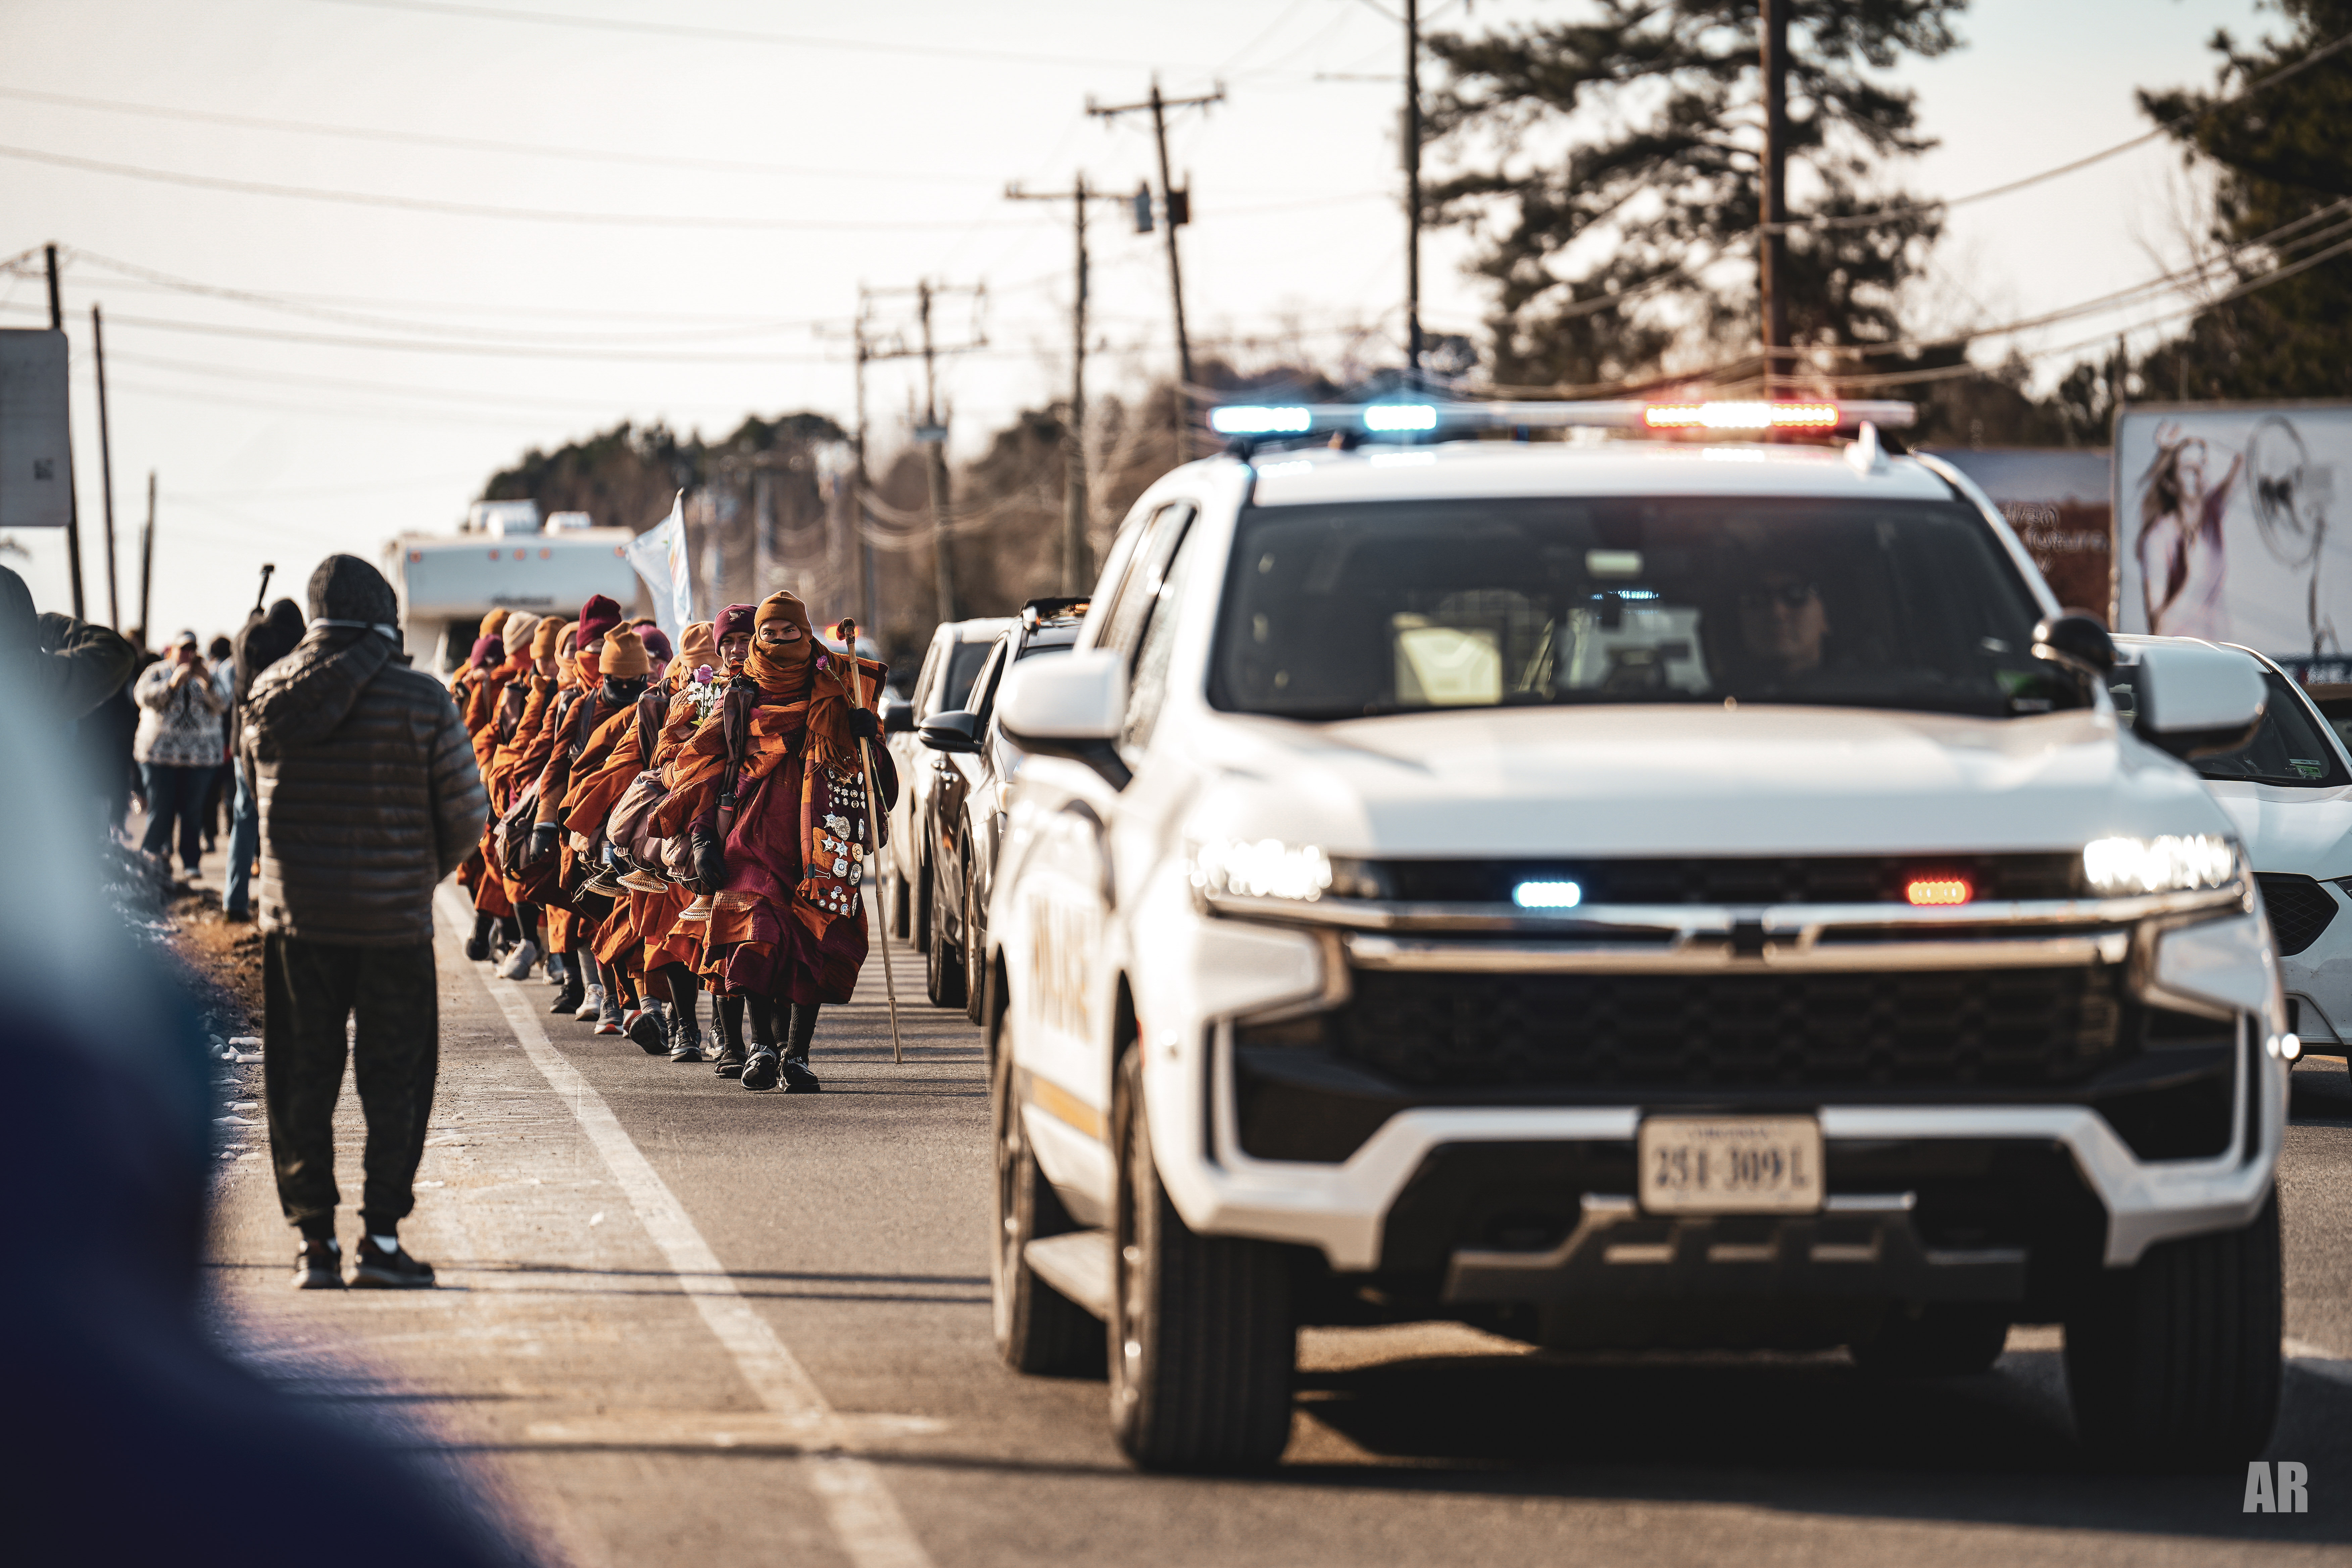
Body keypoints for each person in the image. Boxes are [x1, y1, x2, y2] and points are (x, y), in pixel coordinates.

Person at [243, 555, 487, 1290]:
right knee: (397, 1081)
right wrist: (415, 877)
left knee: (299, 1078)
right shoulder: (421, 698)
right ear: (382, 612)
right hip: (392, 927)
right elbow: (467, 815)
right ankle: (381, 1238)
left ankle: (313, 1242)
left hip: (297, 925)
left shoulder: (268, 694)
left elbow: (255, 814)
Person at [656, 592, 883, 1092]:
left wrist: (866, 735)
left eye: (790, 633)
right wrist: (701, 838)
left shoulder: (841, 692)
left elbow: (876, 780)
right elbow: (701, 767)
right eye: (770, 634)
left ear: (808, 636)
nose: (779, 643)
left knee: (812, 943)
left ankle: (796, 1056)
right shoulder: (737, 696)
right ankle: (760, 1048)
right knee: (753, 936)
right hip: (751, 837)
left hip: (820, 840)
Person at [224, 598, 305, 922]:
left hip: (239, 740)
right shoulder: (285, 650)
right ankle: (278, 902)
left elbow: (250, 632)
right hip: (274, 746)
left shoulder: (244, 643)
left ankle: (235, 901)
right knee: (277, 824)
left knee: (243, 822)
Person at [134, 631, 229, 876]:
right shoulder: (158, 671)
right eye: (183, 649)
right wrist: (172, 684)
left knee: (192, 811)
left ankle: (191, 863)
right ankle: (151, 856)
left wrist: (206, 682)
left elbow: (224, 703)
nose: (188, 654)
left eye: (192, 649)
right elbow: (142, 696)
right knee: (161, 808)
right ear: (173, 650)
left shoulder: (210, 674)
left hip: (200, 757)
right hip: (160, 755)